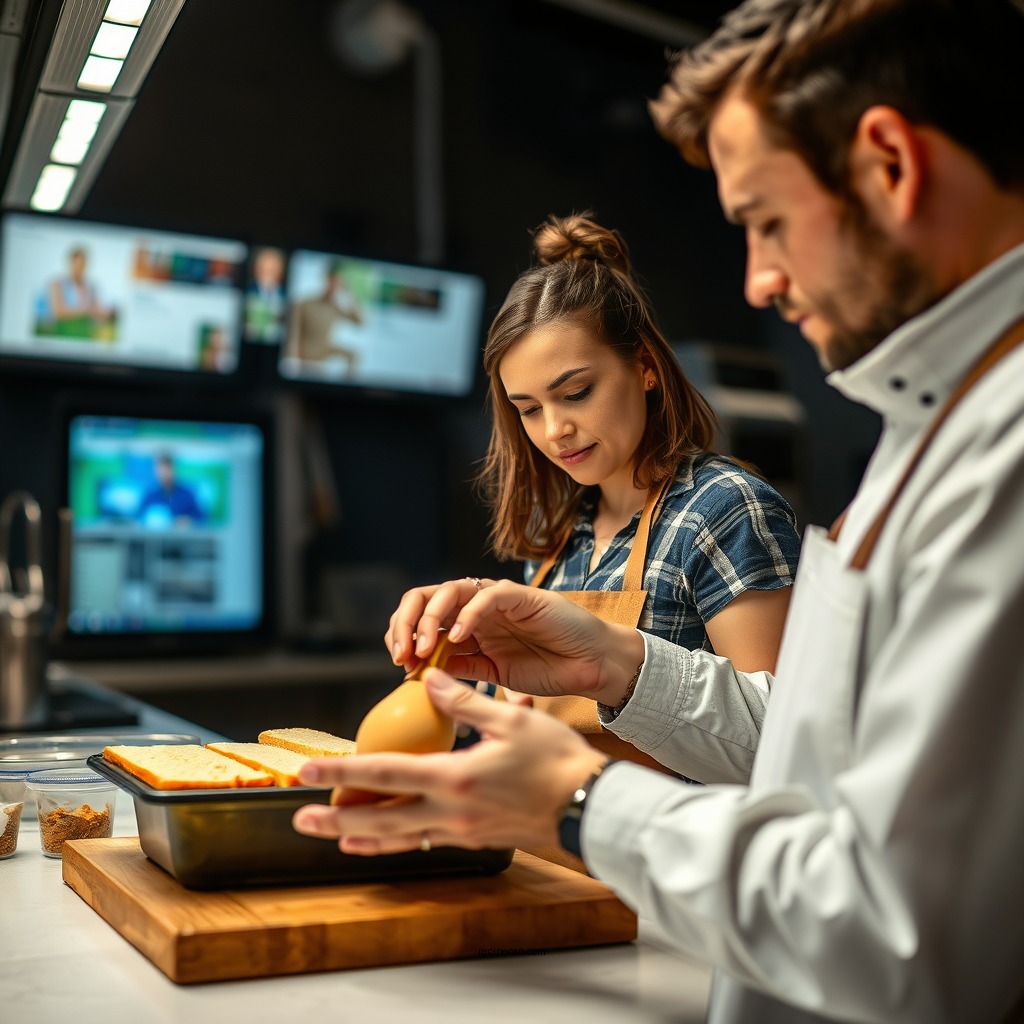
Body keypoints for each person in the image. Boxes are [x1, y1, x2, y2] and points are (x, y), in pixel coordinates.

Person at [292, 1, 1024, 1021]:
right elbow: (806, 747)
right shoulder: (935, 423)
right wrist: (614, 663)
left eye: (765, 221)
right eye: (527, 408)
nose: (759, 282)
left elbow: (901, 934)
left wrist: (581, 803)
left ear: (889, 163)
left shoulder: (1000, 454)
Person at [284, 260, 364, 373]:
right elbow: (293, 336)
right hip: (306, 357)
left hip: (324, 352)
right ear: (326, 279)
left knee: (353, 355)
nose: (334, 285)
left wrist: (350, 293)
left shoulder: (336, 307)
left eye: (338, 282)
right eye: (332, 280)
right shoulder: (305, 303)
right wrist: (292, 360)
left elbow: (360, 322)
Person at [137, 453, 204, 526]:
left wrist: (188, 521)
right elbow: (138, 519)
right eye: (160, 469)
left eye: (167, 468)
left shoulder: (187, 494)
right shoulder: (150, 495)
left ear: (174, 469)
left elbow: (201, 519)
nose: (164, 473)